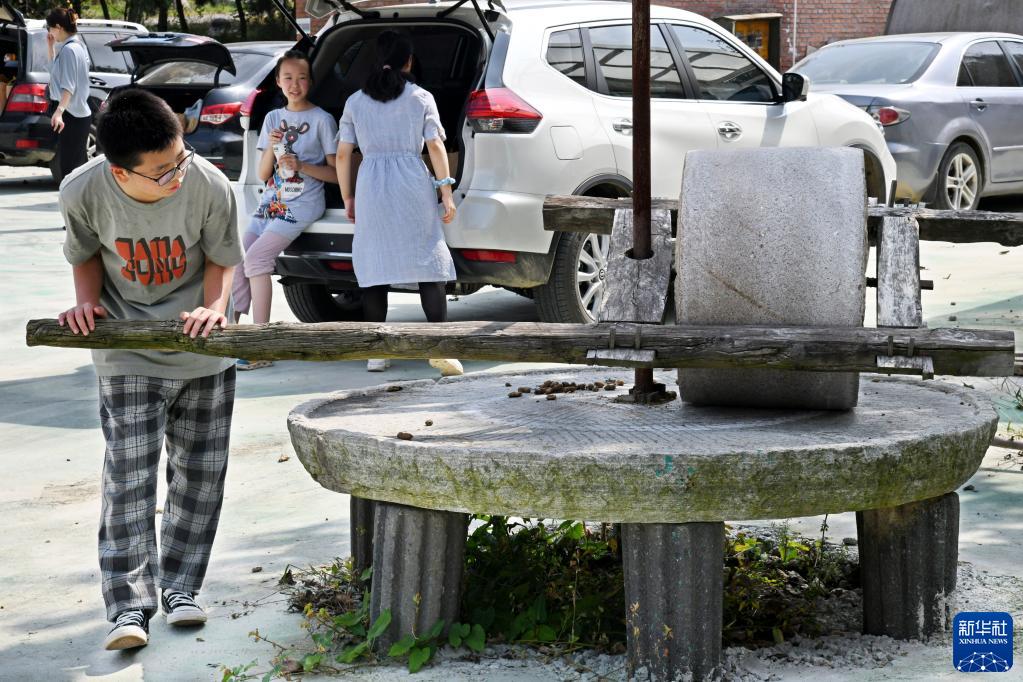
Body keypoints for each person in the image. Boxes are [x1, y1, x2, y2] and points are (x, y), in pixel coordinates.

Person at [57, 89, 243, 651]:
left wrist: (214, 308)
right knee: (129, 476)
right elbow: (86, 253)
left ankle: (182, 588)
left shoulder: (209, 184)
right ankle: (127, 607)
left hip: (201, 347)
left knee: (200, 474)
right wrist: (86, 304)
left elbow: (222, 257)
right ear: (120, 170)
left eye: (180, 158)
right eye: (163, 171)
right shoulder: (82, 190)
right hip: (127, 346)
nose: (177, 175)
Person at [336, 31, 462, 376]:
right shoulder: (421, 97)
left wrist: (348, 196)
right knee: (428, 262)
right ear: (409, 61)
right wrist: (446, 193)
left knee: (375, 266)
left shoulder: (355, 102)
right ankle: (441, 349)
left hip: (371, 186)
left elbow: (344, 153)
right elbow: (435, 146)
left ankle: (377, 352)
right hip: (412, 183)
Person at [232, 50, 338, 370]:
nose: (295, 84)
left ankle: (263, 346)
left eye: (301, 78)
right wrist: (274, 147)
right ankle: (229, 335)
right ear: (278, 82)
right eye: (288, 78)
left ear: (311, 81)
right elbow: (264, 173)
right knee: (238, 260)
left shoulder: (322, 119)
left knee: (257, 259)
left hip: (303, 203)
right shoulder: (272, 118)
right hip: (272, 202)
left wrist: (302, 165)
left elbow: (337, 173)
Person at [46, 7, 91, 183]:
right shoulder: (77, 46)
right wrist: (50, 47)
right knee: (77, 168)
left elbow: (68, 87)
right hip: (77, 115)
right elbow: (55, 73)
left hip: (71, 116)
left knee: (70, 170)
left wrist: (59, 112)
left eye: (50, 28)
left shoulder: (69, 50)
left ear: (58, 27)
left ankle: (76, 199)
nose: (49, 32)